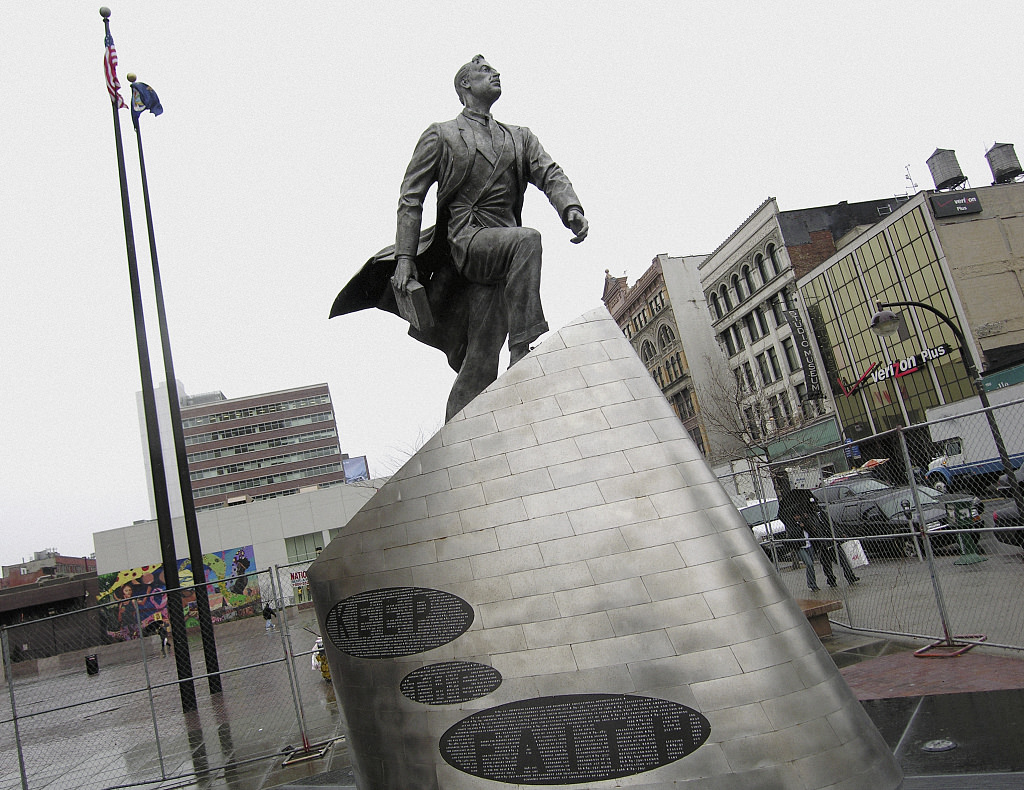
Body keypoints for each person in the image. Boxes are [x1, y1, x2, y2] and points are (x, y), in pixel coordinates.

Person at [330, 55, 588, 421]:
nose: (496, 73)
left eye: (494, 70)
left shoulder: (520, 137)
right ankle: (522, 349)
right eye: (485, 71)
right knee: (528, 239)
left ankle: (454, 441)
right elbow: (411, 197)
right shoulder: (442, 134)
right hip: (468, 241)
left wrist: (570, 208)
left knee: (480, 363)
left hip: (504, 258)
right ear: (465, 85)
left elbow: (549, 172)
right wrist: (405, 258)